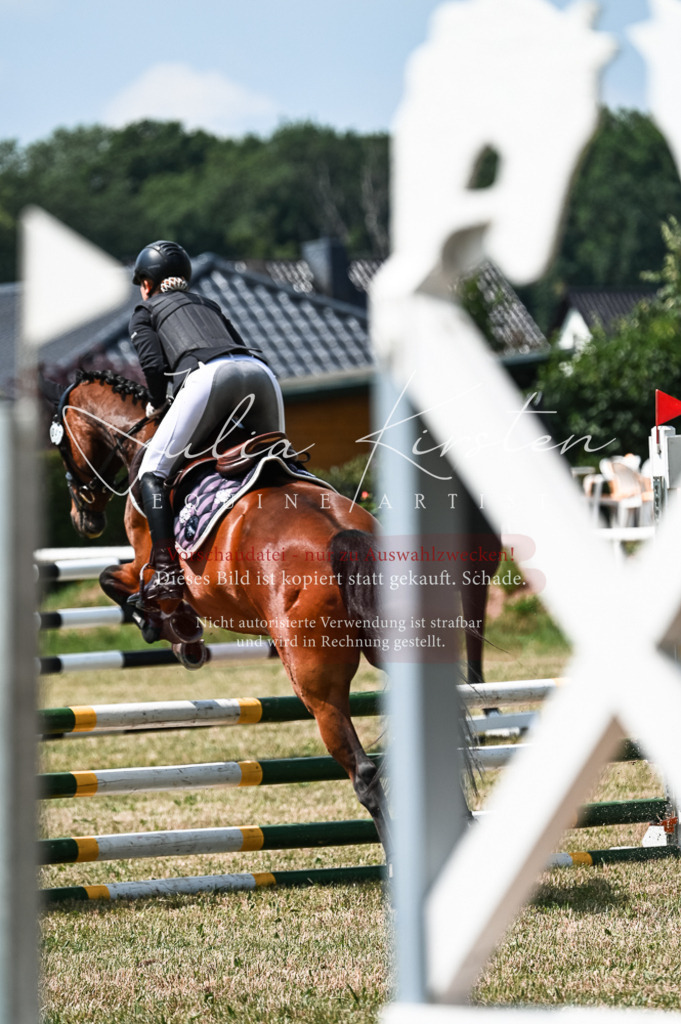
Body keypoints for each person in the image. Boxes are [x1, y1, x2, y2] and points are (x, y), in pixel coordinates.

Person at [129, 239, 284, 609]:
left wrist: (156, 403)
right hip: (260, 373)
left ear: (147, 283)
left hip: (209, 377)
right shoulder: (207, 303)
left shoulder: (145, 310)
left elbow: (152, 366)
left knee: (151, 472)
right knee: (281, 461)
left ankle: (166, 572)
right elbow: (238, 345)